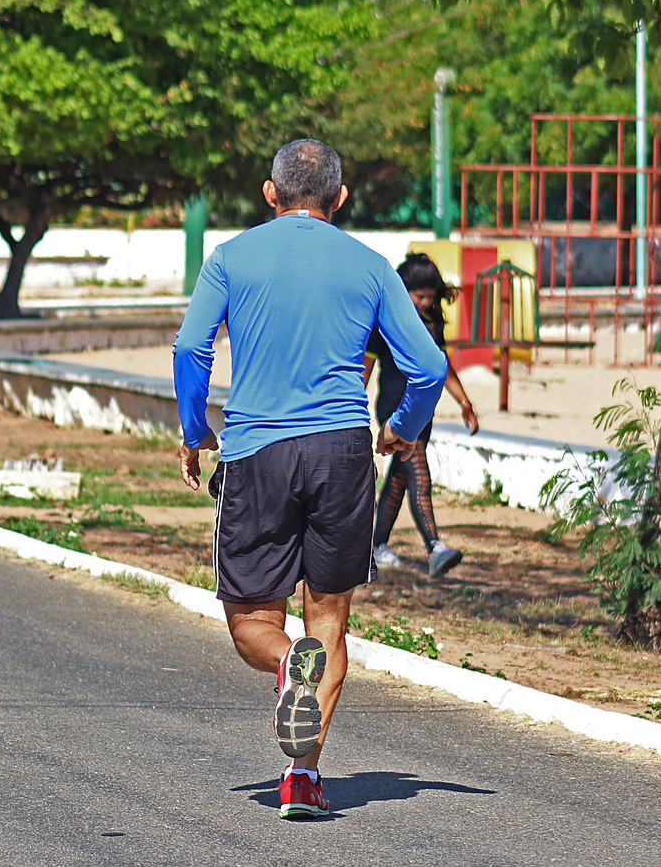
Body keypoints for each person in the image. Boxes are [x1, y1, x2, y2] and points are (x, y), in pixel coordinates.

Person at [174, 139, 446, 820]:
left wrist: (192, 428)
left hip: (257, 452)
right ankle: (302, 775)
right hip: (342, 452)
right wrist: (404, 426)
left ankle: (286, 654)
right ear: (341, 198)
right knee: (330, 619)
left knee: (252, 621)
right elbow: (429, 366)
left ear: (271, 194)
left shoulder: (232, 257)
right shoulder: (369, 265)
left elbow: (190, 346)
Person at [366, 253, 479, 577]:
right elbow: (366, 366)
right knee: (418, 471)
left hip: (422, 412)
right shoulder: (384, 320)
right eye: (420, 296)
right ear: (404, 290)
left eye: (431, 296)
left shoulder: (433, 322)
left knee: (399, 479)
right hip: (394, 410)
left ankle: (376, 546)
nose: (427, 302)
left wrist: (465, 403)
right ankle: (434, 547)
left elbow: (441, 367)